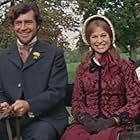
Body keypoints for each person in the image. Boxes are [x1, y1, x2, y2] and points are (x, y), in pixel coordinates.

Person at [61, 15, 140, 140]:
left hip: (115, 123)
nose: (99, 41)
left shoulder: (125, 66)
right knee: (72, 136)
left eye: (103, 35)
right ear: (88, 40)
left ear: (110, 37)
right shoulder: (82, 69)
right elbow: (77, 101)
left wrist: (114, 120)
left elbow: (135, 102)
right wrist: (86, 119)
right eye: (94, 37)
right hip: (88, 123)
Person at [0, 2, 68, 140]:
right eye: (18, 23)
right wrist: (3, 104)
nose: (23, 27)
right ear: (13, 26)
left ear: (38, 25)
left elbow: (57, 91)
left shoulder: (54, 54)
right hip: (10, 120)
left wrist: (29, 105)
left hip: (45, 119)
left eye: (28, 22)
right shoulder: (3, 57)